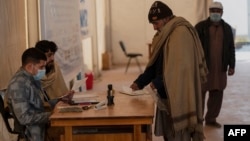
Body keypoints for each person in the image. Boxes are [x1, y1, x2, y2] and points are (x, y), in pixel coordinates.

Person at [130, 1, 208, 141]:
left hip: (180, 95)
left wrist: (156, 83)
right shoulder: (163, 35)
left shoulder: (181, 33)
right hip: (165, 94)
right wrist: (139, 83)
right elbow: (155, 64)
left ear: (167, 19)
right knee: (169, 135)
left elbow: (180, 69)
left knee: (180, 133)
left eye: (156, 23)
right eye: (152, 24)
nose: (154, 28)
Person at [195, 1, 235, 128]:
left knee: (217, 93)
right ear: (209, 12)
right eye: (213, 11)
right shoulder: (200, 27)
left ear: (222, 13)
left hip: (220, 68)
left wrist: (232, 65)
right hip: (203, 68)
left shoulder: (227, 29)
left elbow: (231, 48)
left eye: (218, 11)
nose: (215, 13)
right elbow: (193, 47)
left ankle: (211, 119)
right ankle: (197, 120)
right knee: (200, 94)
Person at [5, 48, 51, 141]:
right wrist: (50, 116)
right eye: (41, 67)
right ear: (30, 67)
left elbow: (39, 103)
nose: (43, 70)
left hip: (39, 124)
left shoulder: (32, 79)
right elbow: (24, 118)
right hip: (31, 131)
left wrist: (59, 101)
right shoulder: (18, 84)